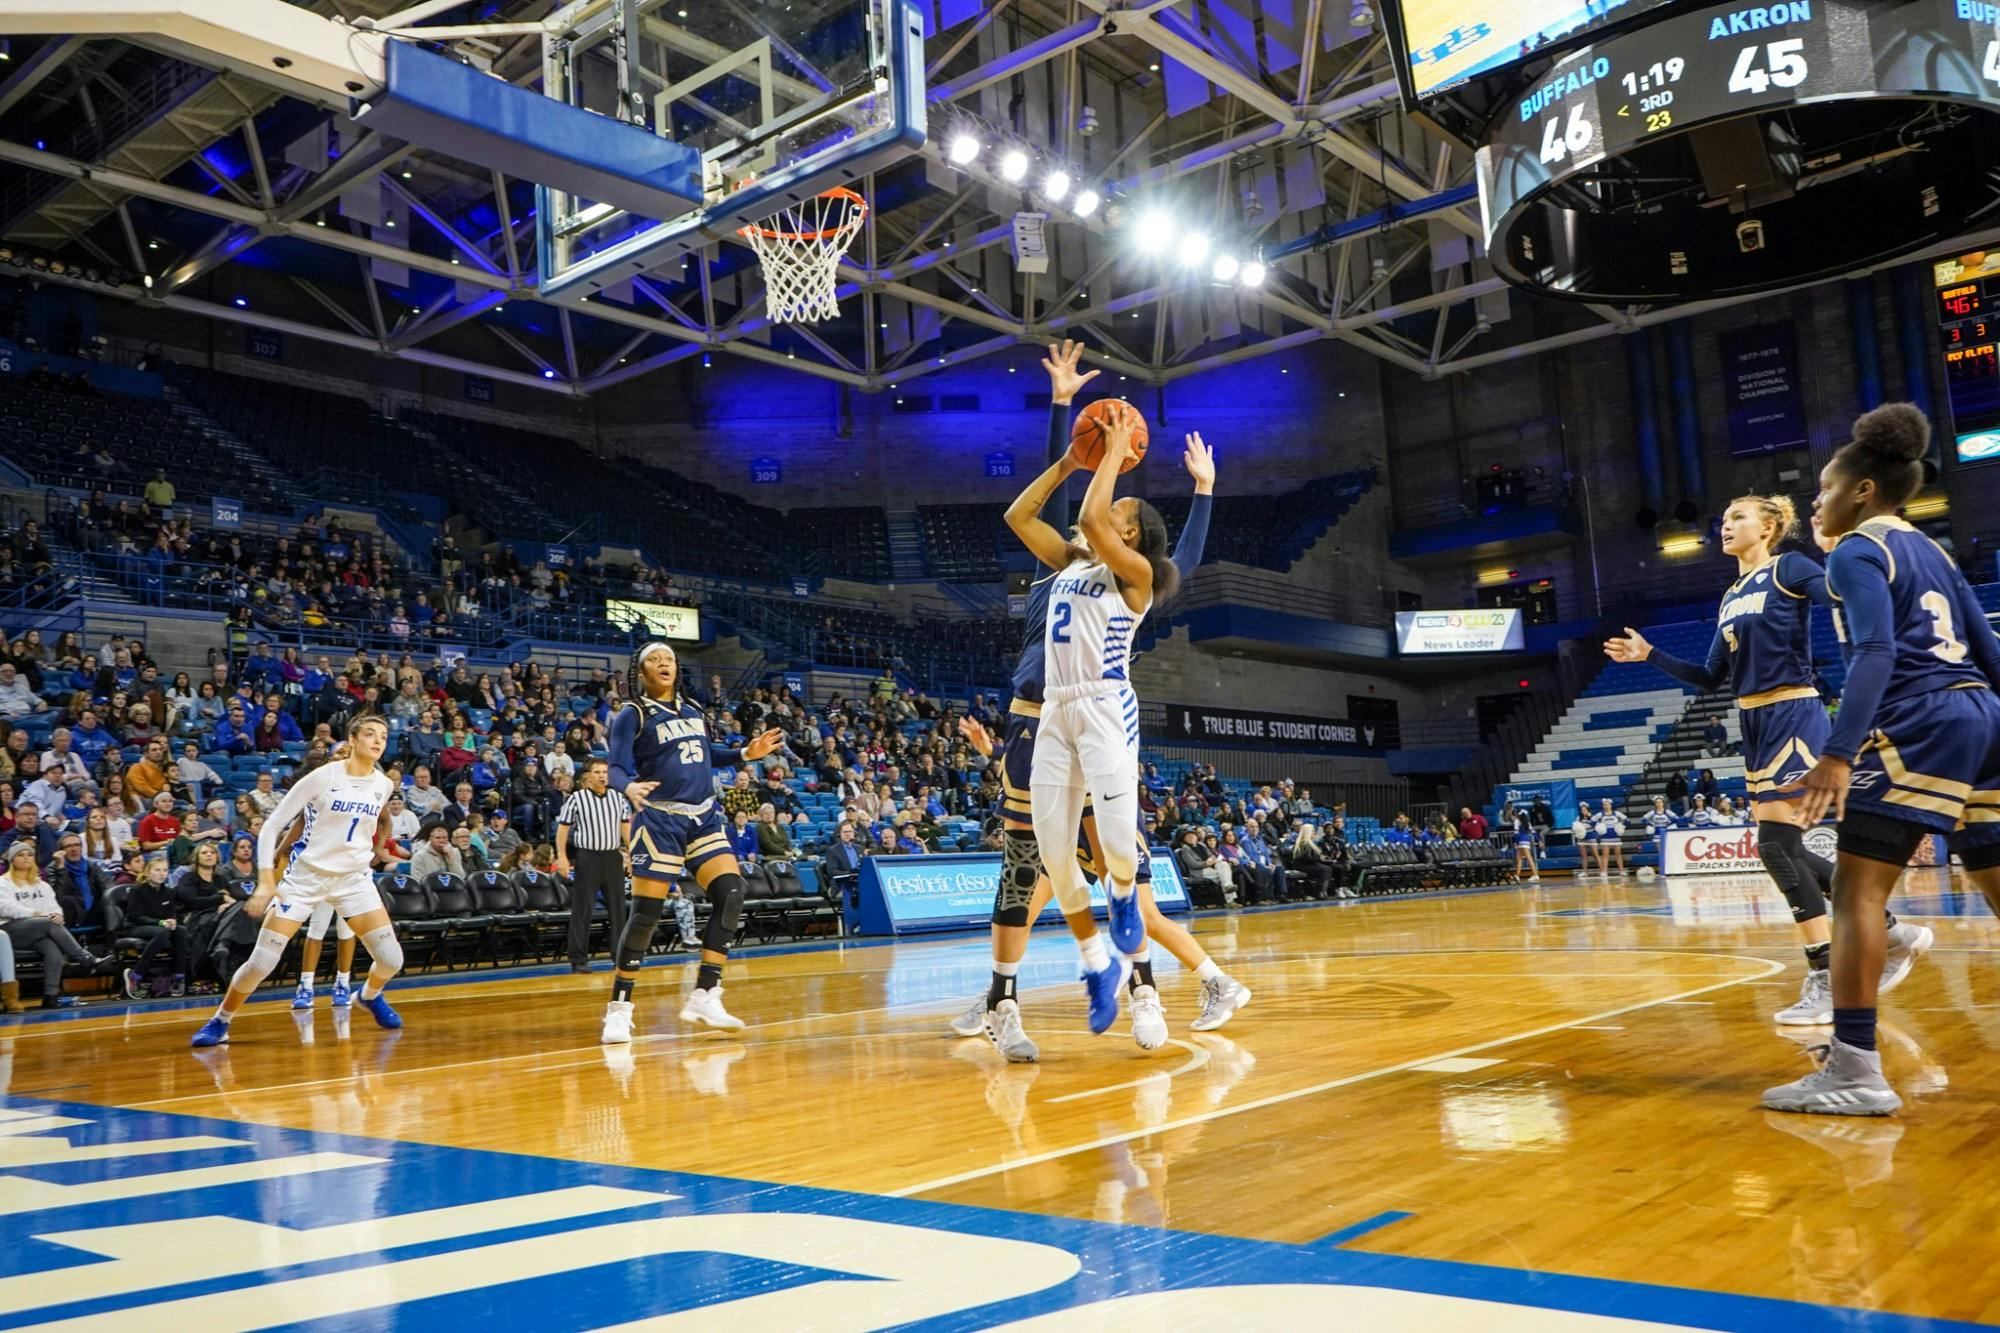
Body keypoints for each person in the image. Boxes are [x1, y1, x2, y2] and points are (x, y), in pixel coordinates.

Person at [1606, 490, 1930, 1026]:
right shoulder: (1731, 595)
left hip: (1794, 713)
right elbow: (1711, 676)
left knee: (1776, 846)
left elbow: (1837, 595)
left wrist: (1844, 554)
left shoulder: (1789, 568)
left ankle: (1828, 973)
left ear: (1769, 527)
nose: (1725, 524)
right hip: (1753, 723)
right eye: (1723, 517)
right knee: (1785, 849)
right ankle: (1892, 931)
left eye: (1737, 516)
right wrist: (1649, 655)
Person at [1766, 404, 1985, 1115]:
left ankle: (1855, 1068)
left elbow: (1875, 651)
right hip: (1982, 714)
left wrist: (1837, 753)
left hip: (1921, 718)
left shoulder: (1859, 547)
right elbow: (1987, 645)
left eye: (1825, 488)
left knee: (1857, 890)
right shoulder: (1933, 551)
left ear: (1862, 491)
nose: (1816, 502)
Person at [598, 641, 782, 1042]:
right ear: (641, 673)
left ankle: (705, 994)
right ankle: (619, 1009)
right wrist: (628, 787)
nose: (664, 663)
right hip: (660, 817)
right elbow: (614, 767)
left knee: (731, 893)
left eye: (669, 658)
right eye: (654, 660)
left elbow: (705, 754)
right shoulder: (634, 713)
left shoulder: (694, 710)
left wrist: (745, 753)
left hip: (704, 816)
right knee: (645, 915)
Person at [191, 715, 404, 1046]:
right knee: (262, 961)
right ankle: (221, 1020)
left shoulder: (383, 784)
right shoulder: (322, 777)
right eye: (370, 734)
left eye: (383, 735)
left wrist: (376, 849)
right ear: (352, 739)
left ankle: (368, 996)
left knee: (392, 960)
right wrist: (266, 880)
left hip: (353, 880)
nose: (378, 741)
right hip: (306, 878)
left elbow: (380, 822)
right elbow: (273, 825)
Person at [0, 842, 108, 1007]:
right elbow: (5, 907)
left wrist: (57, 915)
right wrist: (36, 914)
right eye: (20, 855)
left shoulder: (41, 885)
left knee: (52, 948)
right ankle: (85, 958)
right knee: (47, 922)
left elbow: (53, 906)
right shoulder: (3, 882)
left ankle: (50, 996)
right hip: (9, 931)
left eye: (29, 855)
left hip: (39, 930)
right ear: (12, 860)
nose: (26, 858)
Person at [555, 758, 631, 976]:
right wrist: (562, 857)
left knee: (618, 910)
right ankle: (578, 959)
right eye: (597, 772)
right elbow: (563, 830)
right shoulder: (577, 798)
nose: (601, 776)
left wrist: (632, 854)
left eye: (605, 772)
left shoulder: (618, 798)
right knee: (583, 909)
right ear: (588, 775)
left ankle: (620, 957)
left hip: (612, 857)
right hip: (587, 857)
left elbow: (625, 828)